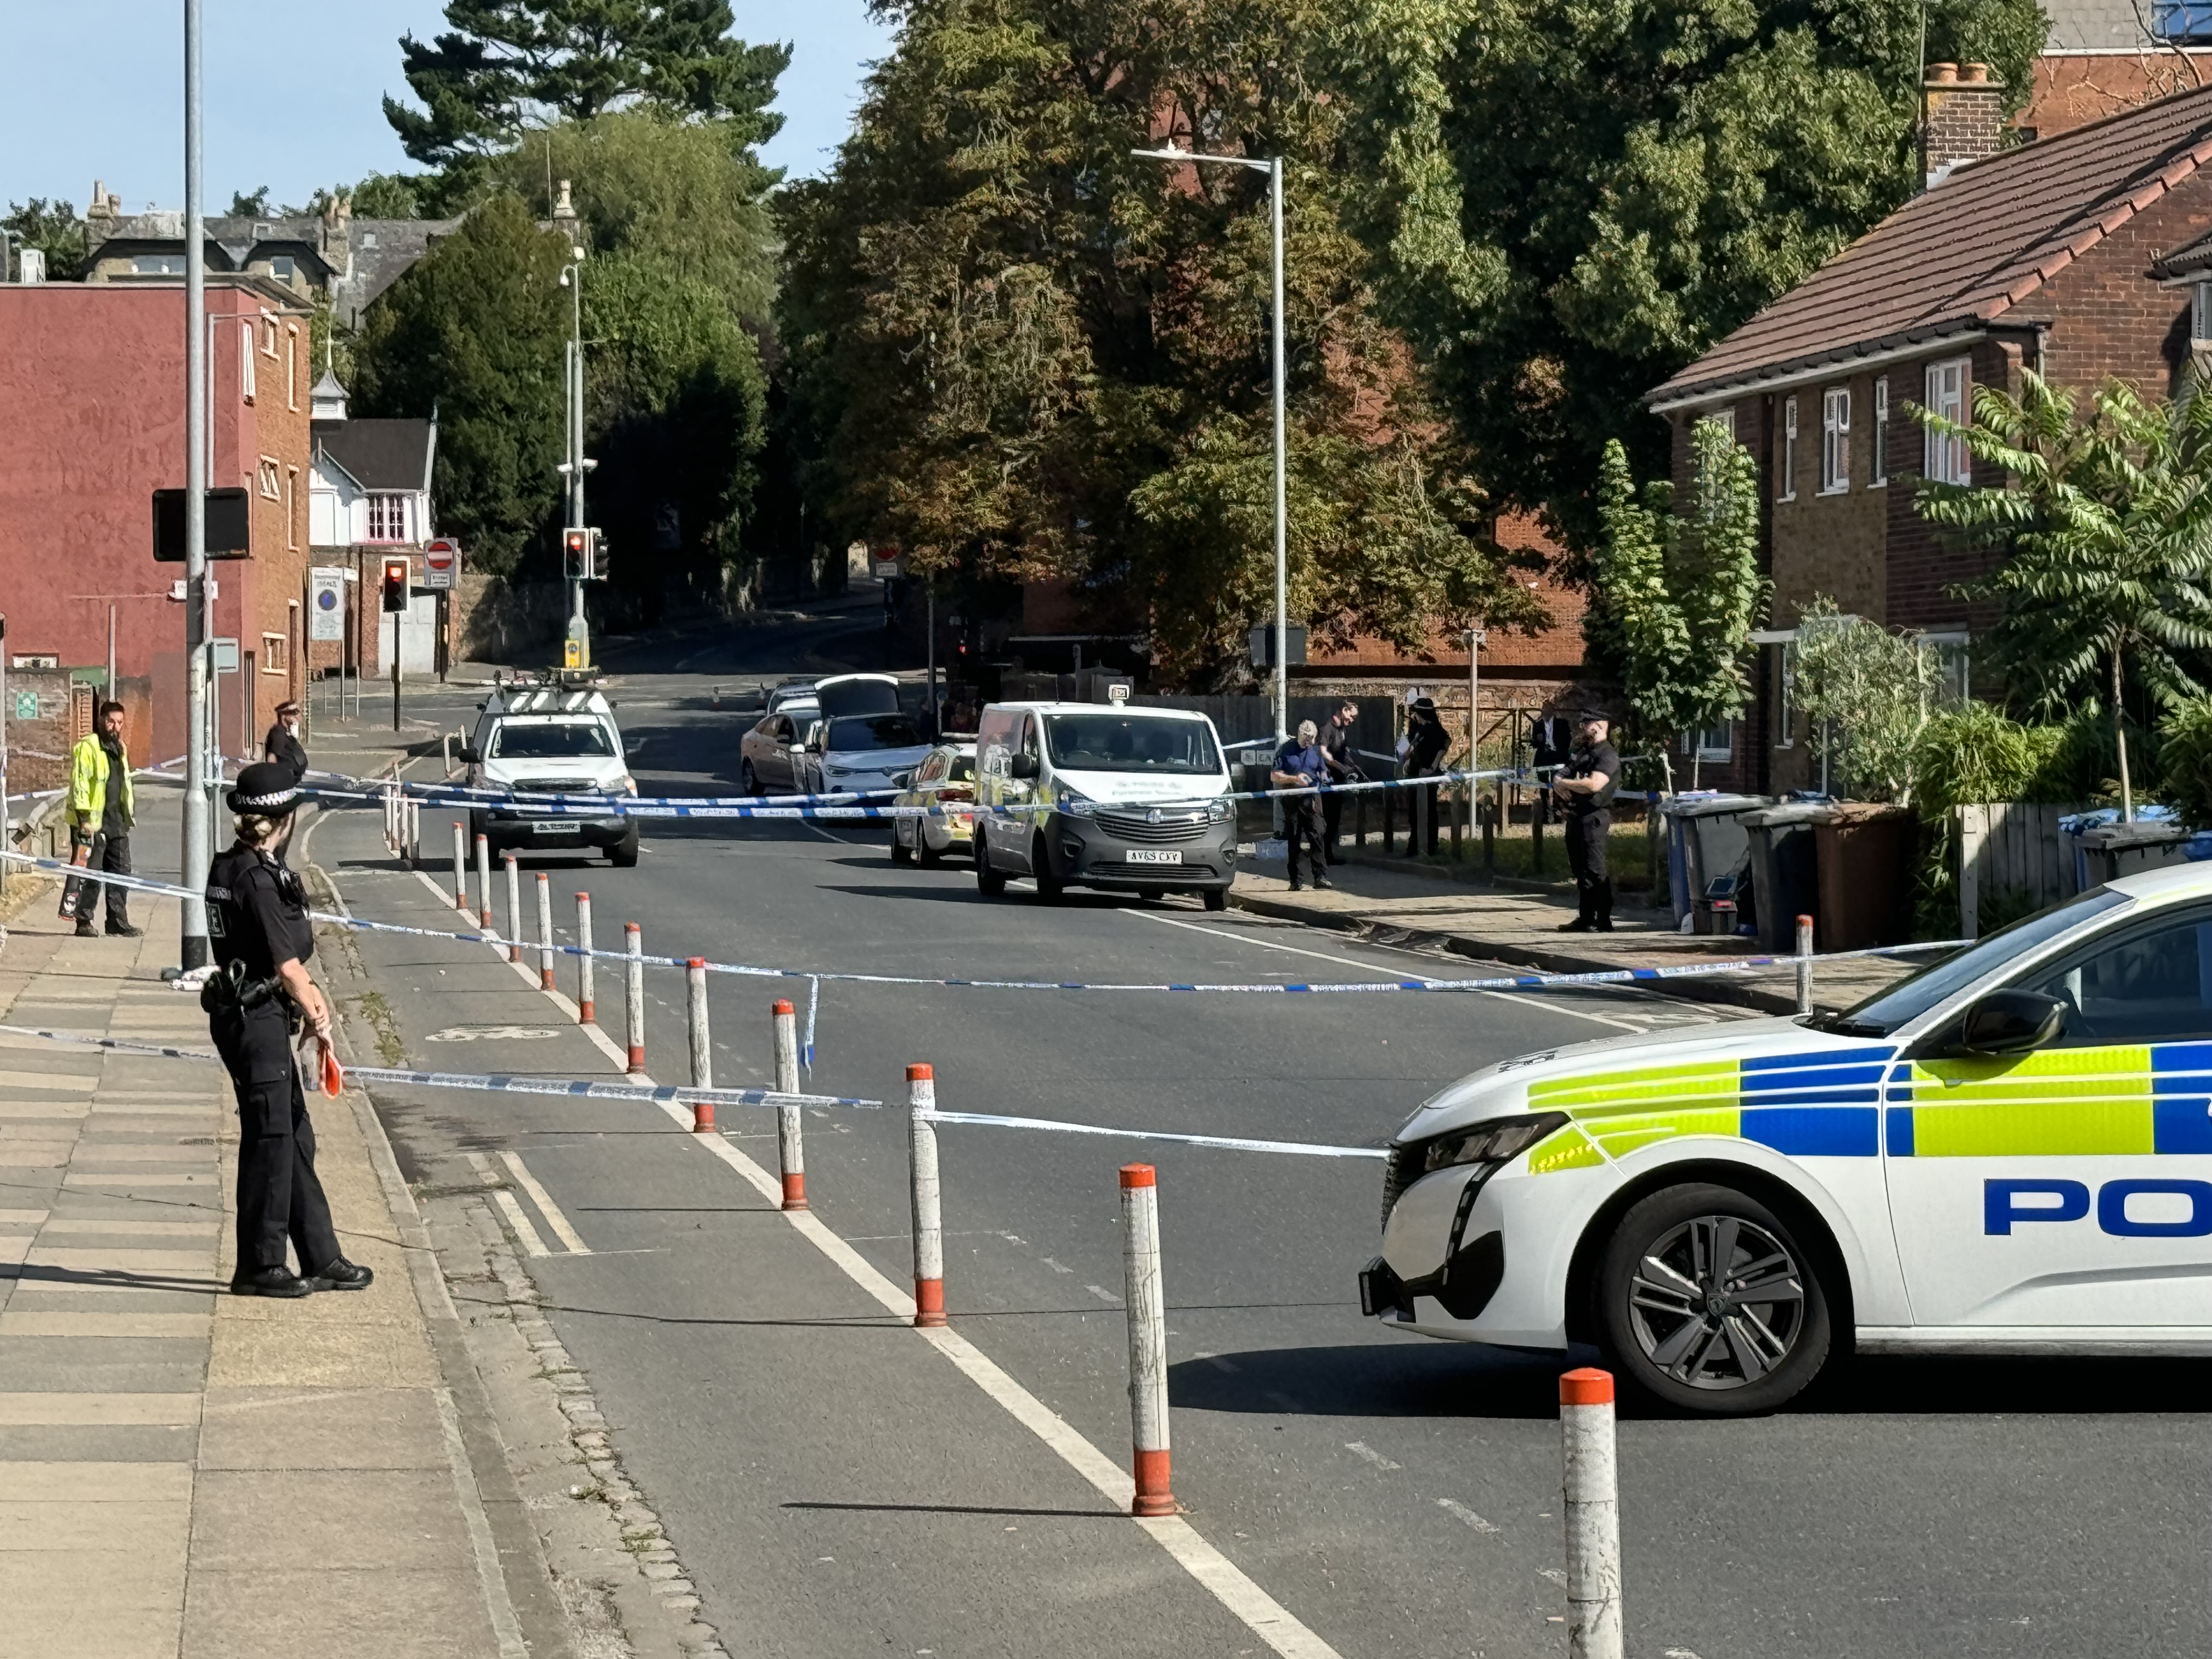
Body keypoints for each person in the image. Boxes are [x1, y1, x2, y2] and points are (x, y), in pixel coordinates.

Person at [203, 762, 373, 1298]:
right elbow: (288, 967)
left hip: (256, 1014)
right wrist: (319, 1018)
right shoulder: (255, 879)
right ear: (286, 817)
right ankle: (260, 1264)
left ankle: (321, 1255)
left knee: (294, 1136)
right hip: (255, 1017)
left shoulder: (232, 866)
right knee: (271, 1140)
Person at [65, 701, 138, 939]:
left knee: (120, 873)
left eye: (119, 723)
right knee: (91, 874)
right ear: (101, 720)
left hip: (117, 822)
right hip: (92, 823)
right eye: (110, 721)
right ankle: (83, 921)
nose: (115, 727)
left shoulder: (120, 748)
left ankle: (118, 922)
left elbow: (123, 784)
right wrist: (85, 819)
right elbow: (81, 785)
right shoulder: (88, 747)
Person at [1551, 710, 1621, 932]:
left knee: (1595, 869)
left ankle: (1604, 920)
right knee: (1579, 869)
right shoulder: (1583, 752)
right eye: (1582, 722)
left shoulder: (1607, 756)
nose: (1582, 727)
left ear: (1600, 725)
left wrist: (1567, 784)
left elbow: (1593, 785)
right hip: (1576, 816)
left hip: (1595, 817)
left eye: (1586, 723)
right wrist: (1563, 783)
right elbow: (1561, 776)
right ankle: (1586, 918)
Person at [1271, 720, 1334, 891]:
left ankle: (1320, 876)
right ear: (1300, 736)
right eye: (1307, 739)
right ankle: (1295, 879)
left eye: (1313, 739)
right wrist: (1294, 779)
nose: (1310, 743)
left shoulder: (1315, 751)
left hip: (1312, 799)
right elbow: (1275, 776)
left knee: (1317, 835)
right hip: (1292, 799)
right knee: (1294, 838)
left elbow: (1322, 770)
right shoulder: (1286, 750)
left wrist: (1324, 777)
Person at [1403, 697, 1451, 856]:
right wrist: (1408, 757)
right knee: (1413, 811)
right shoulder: (1416, 728)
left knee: (1429, 810)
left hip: (1429, 773)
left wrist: (1433, 767)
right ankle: (1414, 844)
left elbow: (1445, 744)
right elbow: (1412, 747)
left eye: (1416, 713)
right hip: (1414, 772)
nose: (1413, 716)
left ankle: (1431, 845)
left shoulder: (1434, 729)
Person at [1317, 700, 1363, 862]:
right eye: (1352, 716)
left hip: (1338, 779)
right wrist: (1342, 768)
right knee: (1328, 818)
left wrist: (1355, 769)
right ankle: (1324, 855)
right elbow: (1324, 753)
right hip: (1327, 780)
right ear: (1344, 711)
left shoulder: (1342, 730)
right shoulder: (1327, 729)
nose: (1352, 720)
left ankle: (1328, 854)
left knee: (1335, 818)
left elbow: (1344, 753)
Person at [263, 699, 308, 783]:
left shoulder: (286, 731)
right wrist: (275, 778)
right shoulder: (278, 732)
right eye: (293, 715)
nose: (297, 717)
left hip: (292, 777)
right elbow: (272, 756)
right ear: (283, 716)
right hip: (285, 779)